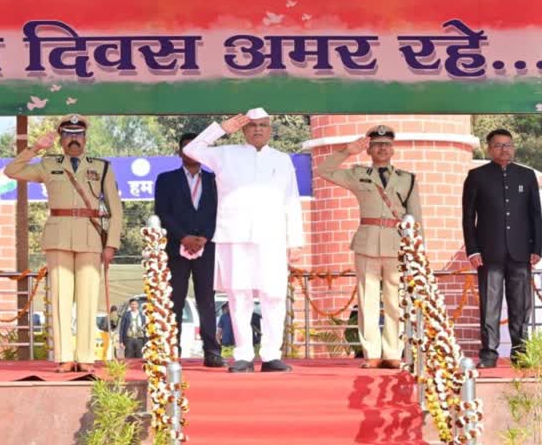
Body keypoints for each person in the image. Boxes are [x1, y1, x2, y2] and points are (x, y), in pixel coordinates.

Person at [183, 108, 304, 373]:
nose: (257, 129)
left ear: (270, 130)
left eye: (263, 125)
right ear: (244, 130)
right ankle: (244, 355)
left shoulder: (282, 159)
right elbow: (193, 149)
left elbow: (291, 200)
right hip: (234, 234)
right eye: (252, 126)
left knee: (273, 295)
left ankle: (271, 355)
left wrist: (295, 241)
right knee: (239, 295)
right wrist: (221, 129)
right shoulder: (226, 154)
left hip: (272, 236)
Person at [4, 114, 123, 373]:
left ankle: (86, 356)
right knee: (60, 298)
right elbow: (11, 171)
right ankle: (64, 356)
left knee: (88, 297)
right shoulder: (48, 164)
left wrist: (111, 243)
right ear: (61, 139)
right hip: (58, 236)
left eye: (78, 135)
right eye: (68, 135)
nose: (74, 139)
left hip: (91, 236)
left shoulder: (102, 167)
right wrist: (35, 148)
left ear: (85, 138)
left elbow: (116, 208)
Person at [316, 125, 422, 369]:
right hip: (366, 243)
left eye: (386, 144)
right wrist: (346, 151)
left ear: (393, 149)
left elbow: (415, 215)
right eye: (376, 145)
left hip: (397, 244)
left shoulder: (407, 179)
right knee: (368, 300)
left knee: (395, 300)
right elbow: (324, 170)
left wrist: (418, 248)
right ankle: (372, 352)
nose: (382, 148)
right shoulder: (358, 174)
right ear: (369, 150)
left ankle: (394, 352)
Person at [462, 128, 542, 368]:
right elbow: (468, 217)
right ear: (489, 148)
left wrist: (537, 247)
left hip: (521, 253)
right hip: (488, 254)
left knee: (521, 306)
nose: (504, 149)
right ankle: (488, 354)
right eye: (498, 145)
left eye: (508, 145)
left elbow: (536, 216)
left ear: (513, 147)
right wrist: (473, 250)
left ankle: (520, 354)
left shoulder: (526, 176)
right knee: (490, 306)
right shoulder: (476, 176)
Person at [154, 132, 225, 368]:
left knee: (207, 300)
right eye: (186, 148)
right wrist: (184, 237)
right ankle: (171, 351)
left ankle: (212, 351)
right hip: (177, 246)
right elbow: (163, 213)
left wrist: (204, 236)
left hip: (207, 246)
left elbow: (220, 210)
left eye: (195, 148)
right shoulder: (166, 179)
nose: (191, 152)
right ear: (180, 152)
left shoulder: (215, 180)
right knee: (175, 298)